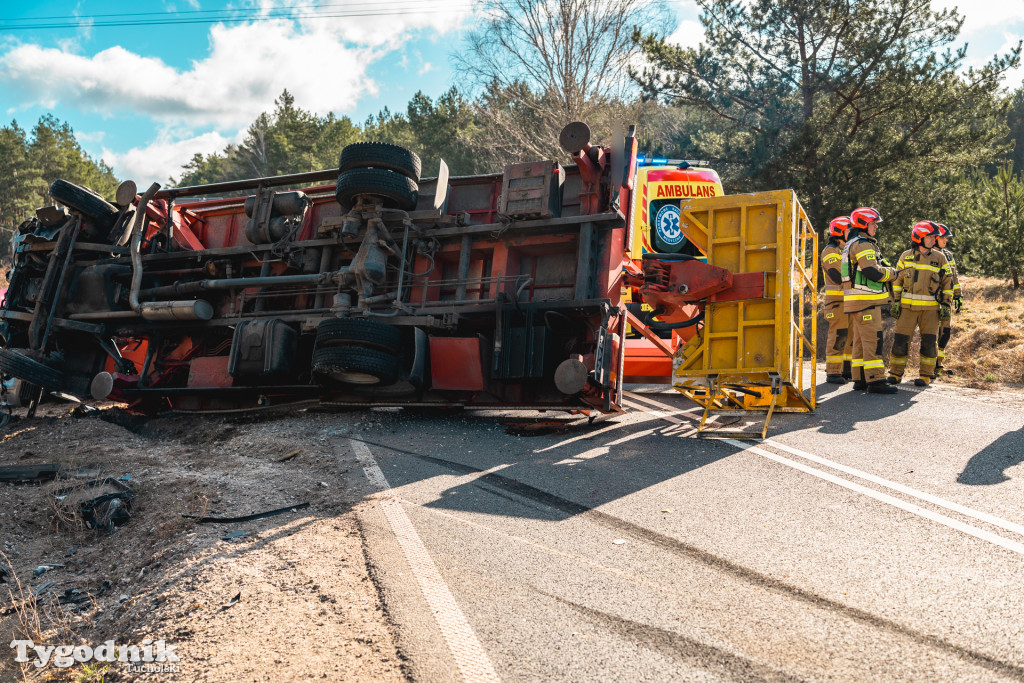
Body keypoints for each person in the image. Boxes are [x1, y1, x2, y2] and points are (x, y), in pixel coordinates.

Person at [887, 222, 952, 387]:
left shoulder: (940, 258)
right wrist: (895, 302)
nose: (933, 239)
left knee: (929, 342)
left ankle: (925, 375)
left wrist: (946, 305)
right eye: (929, 236)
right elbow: (897, 281)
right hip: (906, 309)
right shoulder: (905, 256)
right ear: (918, 237)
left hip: (931, 310)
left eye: (933, 236)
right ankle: (895, 373)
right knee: (900, 341)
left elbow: (947, 283)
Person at [842, 207, 900, 394]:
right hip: (865, 302)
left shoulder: (852, 243)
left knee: (860, 342)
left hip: (857, 301)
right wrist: (891, 273)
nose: (876, 226)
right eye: (873, 223)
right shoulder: (863, 244)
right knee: (874, 340)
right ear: (863, 224)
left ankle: (860, 379)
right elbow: (872, 272)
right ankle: (876, 380)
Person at [822, 216, 853, 383]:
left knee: (850, 337)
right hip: (837, 303)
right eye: (849, 231)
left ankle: (846, 369)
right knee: (838, 336)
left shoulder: (847, 251)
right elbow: (837, 275)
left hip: (850, 302)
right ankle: (833, 372)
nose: (853, 234)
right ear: (840, 232)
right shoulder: (830, 251)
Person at [934, 224, 961, 375]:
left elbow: (954, 277)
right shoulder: (929, 254)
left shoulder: (948, 255)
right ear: (936, 238)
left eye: (946, 238)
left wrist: (958, 295)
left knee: (945, 332)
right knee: (932, 333)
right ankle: (928, 366)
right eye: (943, 238)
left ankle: (939, 364)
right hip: (932, 300)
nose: (946, 241)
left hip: (947, 299)